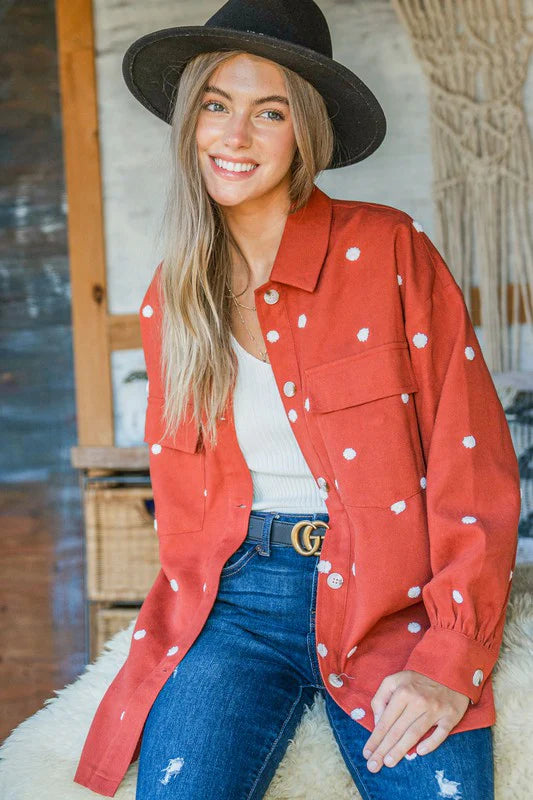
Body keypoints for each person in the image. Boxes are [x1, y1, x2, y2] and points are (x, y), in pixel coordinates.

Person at [73, 1, 521, 798]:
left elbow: (472, 461)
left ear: (304, 132)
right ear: (190, 121)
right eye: (216, 105)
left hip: (390, 599)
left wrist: (451, 653)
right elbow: (187, 514)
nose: (235, 136)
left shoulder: (388, 250)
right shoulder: (170, 299)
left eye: (269, 112)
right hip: (235, 606)